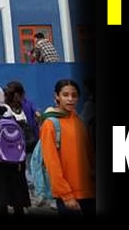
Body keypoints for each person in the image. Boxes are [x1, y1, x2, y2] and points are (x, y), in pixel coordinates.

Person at [40, 80, 95, 216]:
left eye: (74, 95)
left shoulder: (80, 122)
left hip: (89, 192)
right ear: (57, 96)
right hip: (69, 195)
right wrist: (66, 195)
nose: (70, 99)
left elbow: (90, 156)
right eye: (65, 95)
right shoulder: (50, 124)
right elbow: (52, 164)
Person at [0, 85, 31, 215]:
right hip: (14, 157)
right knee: (16, 187)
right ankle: (19, 211)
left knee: (0, 190)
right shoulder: (9, 113)